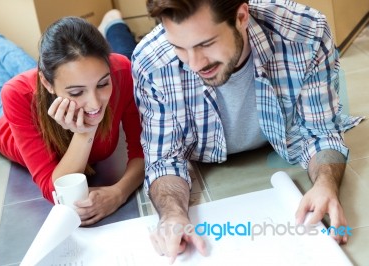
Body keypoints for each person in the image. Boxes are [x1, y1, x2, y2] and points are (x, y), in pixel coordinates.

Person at [131, 0, 364, 262]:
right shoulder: (151, 62)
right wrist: (172, 214)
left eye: (205, 44)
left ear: (241, 16)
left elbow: (321, 132)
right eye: (179, 48)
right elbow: (164, 160)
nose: (195, 63)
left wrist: (325, 184)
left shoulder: (306, 33)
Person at [0, 11, 144, 226]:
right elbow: (55, 190)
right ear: (48, 84)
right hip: (1, 118)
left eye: (103, 84)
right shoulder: (17, 95)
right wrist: (86, 131)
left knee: (29, 67)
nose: (95, 103)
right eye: (77, 93)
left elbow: (144, 150)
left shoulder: (121, 70)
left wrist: (119, 193)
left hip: (47, 83)